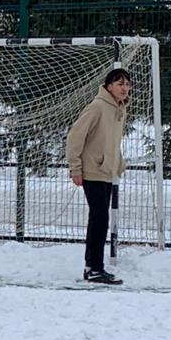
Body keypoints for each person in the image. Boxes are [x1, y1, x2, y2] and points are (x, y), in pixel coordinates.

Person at [66, 67, 131, 285]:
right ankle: (95, 268)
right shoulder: (97, 107)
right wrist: (75, 168)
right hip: (93, 171)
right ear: (109, 86)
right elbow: (75, 137)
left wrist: (118, 163)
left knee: (98, 220)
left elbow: (111, 141)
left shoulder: (119, 110)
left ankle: (91, 267)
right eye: (120, 84)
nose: (124, 88)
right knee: (100, 219)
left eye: (127, 84)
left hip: (106, 172)